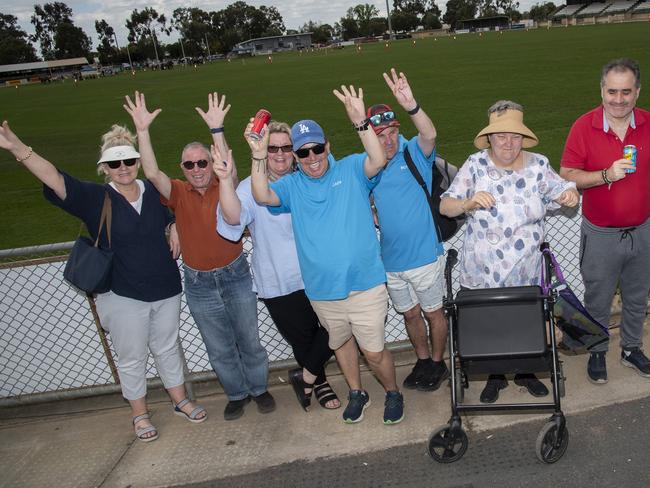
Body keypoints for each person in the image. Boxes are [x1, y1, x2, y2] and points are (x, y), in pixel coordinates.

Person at [0, 121, 206, 442]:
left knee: (167, 347)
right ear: (104, 168)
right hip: (122, 294)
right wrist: (19, 149)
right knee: (132, 356)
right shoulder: (95, 197)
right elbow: (54, 178)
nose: (122, 168)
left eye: (128, 161)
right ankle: (139, 414)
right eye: (114, 163)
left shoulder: (153, 189)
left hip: (165, 287)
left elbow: (179, 206)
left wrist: (176, 224)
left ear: (137, 162)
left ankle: (180, 400)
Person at [249, 85, 404, 425]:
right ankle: (356, 392)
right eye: (302, 153)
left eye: (317, 149)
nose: (312, 157)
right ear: (294, 157)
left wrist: (360, 121)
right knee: (341, 345)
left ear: (327, 147)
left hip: (365, 285)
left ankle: (392, 391)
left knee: (374, 352)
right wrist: (259, 154)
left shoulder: (349, 169)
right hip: (322, 290)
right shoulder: (292, 186)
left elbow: (378, 159)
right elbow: (260, 194)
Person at [123, 91, 275, 420]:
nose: (197, 168)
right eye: (189, 164)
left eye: (202, 162)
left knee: (249, 339)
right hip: (199, 284)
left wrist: (217, 130)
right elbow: (151, 173)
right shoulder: (177, 192)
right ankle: (236, 394)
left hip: (235, 276)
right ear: (182, 168)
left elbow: (227, 168)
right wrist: (142, 131)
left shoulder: (227, 186)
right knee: (218, 346)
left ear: (212, 163)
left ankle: (260, 389)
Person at [440, 100, 579, 403]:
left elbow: (565, 189)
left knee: (525, 324)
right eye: (501, 135)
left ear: (523, 137)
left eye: (515, 136)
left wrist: (570, 195)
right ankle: (496, 375)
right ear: (489, 137)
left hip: (526, 270)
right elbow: (445, 205)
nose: (508, 143)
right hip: (484, 271)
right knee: (492, 327)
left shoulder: (539, 165)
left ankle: (526, 372)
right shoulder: (475, 165)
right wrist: (467, 203)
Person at [214, 120, 340, 411]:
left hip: (317, 272)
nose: (280, 154)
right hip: (278, 277)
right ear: (262, 151)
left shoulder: (309, 177)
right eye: (273, 148)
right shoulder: (249, 187)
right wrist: (223, 181)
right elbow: (232, 219)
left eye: (287, 147)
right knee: (302, 338)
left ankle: (305, 375)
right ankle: (318, 382)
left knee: (337, 326)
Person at [560, 58, 650, 384]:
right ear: (602, 91)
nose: (619, 99)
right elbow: (567, 175)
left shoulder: (648, 123)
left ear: (637, 92)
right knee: (597, 298)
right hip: (600, 234)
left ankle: (631, 349)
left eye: (626, 91)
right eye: (612, 91)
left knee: (637, 296)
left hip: (643, 230)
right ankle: (598, 350)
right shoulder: (583, 127)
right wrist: (604, 175)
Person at [368, 68, 449, 392]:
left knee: (433, 314)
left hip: (425, 257)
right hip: (392, 263)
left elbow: (429, 134)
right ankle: (423, 360)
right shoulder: (367, 164)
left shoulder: (412, 151)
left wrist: (412, 105)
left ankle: (439, 362)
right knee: (411, 315)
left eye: (390, 132)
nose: (387, 139)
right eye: (379, 134)